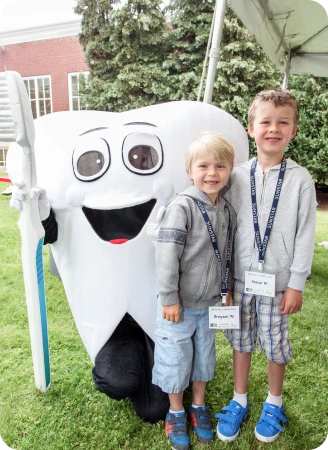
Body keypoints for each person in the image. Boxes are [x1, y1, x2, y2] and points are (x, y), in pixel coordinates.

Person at [216, 89, 316, 443]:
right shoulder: (235, 176)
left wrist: (297, 283)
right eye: (266, 122)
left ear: (294, 131)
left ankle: (274, 402)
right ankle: (239, 399)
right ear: (251, 128)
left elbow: (305, 234)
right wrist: (224, 279)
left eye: (283, 122)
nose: (273, 128)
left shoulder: (301, 180)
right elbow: (223, 225)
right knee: (240, 340)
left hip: (278, 282)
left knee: (275, 343)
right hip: (240, 279)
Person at [152, 131, 236, 450]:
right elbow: (166, 255)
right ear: (191, 171)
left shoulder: (226, 210)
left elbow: (225, 254)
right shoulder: (182, 206)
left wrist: (226, 288)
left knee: (203, 356)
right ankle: (175, 411)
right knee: (176, 358)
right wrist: (170, 298)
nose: (212, 173)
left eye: (220, 166)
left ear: (229, 171)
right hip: (179, 307)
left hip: (211, 305)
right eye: (203, 166)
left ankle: (198, 406)